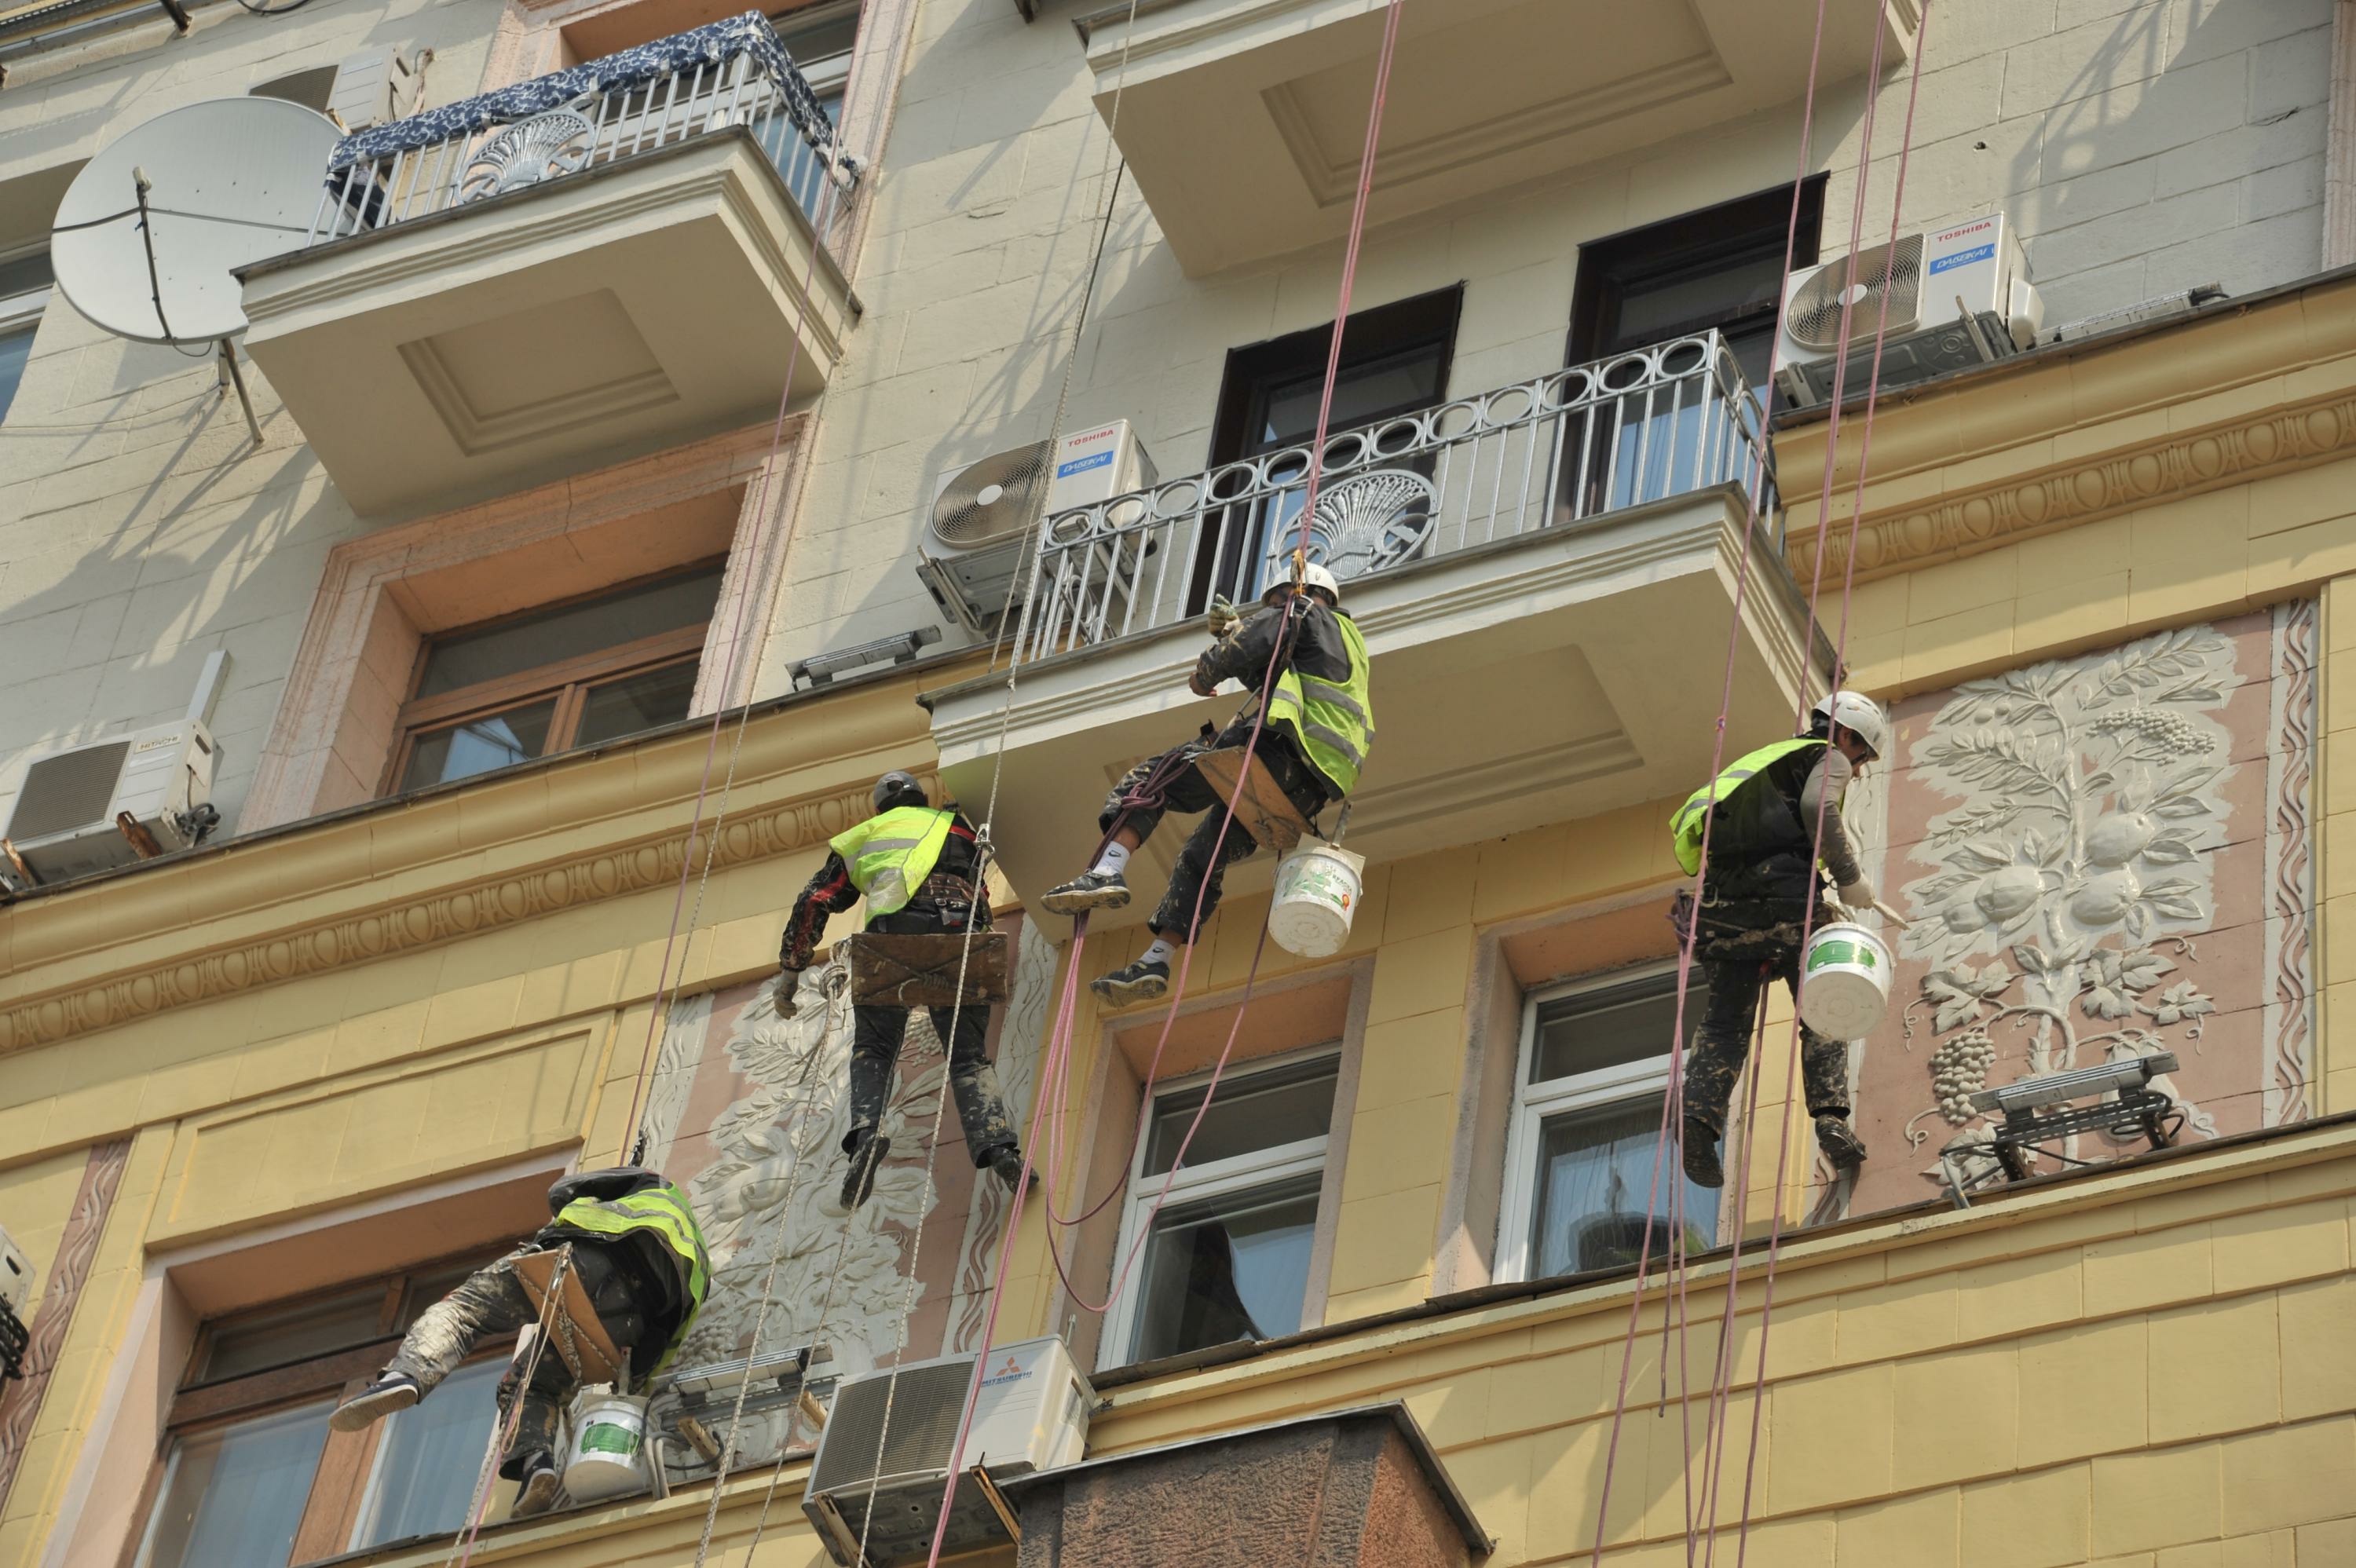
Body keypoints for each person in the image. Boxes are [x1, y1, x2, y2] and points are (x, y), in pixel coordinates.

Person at [1040, 561, 1375, 1005]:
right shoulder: (1349, 643)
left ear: (1297, 591)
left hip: (1276, 750)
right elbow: (1273, 666)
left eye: (1272, 603)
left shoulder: (1302, 611)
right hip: (1307, 789)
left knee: (1152, 778)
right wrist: (1232, 632)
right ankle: (1158, 957)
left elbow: (1257, 644)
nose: (1272, 610)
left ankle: (1106, 871)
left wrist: (1209, 669)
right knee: (1204, 853)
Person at [329, 1167, 709, 1517]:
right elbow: (668, 1344)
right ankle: (537, 1465)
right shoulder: (700, 1270)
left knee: (465, 1309)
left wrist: (560, 1219)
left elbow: (565, 1190)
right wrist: (631, 1376)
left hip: (591, 1256)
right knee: (532, 1383)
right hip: (630, 1323)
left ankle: (405, 1376)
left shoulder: (653, 1183)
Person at [1669, 689, 1889, 1189]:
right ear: (1848, 734)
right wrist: (1849, 875)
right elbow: (1817, 806)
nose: (1857, 769)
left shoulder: (1755, 765)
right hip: (1788, 900)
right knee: (1826, 1001)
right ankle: (1831, 1119)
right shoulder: (1826, 755)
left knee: (1725, 1025)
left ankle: (1699, 1124)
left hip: (1722, 912)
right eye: (1862, 757)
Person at [778, 769, 1026, 1210]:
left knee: (874, 1047)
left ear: (880, 808)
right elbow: (981, 886)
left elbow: (816, 900)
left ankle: (867, 1137)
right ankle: (1000, 1147)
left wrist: (790, 971)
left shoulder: (862, 836)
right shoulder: (958, 827)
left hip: (897, 937)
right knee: (968, 1055)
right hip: (962, 935)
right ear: (921, 798)